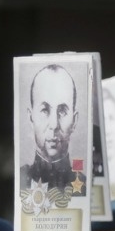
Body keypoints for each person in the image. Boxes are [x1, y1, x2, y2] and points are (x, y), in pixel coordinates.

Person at [21, 63, 86, 195]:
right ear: (30, 118)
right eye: (45, 110)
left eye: (62, 111)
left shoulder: (84, 185)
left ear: (74, 121)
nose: (54, 124)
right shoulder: (19, 181)